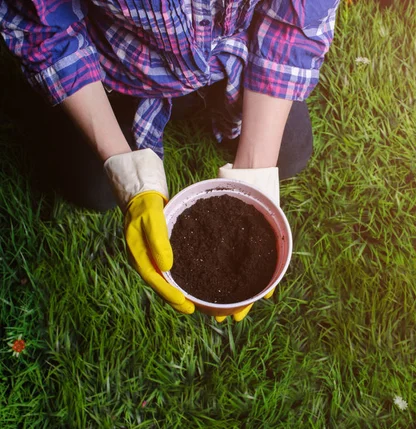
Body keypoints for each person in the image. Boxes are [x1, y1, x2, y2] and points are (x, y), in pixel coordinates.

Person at [0, 0, 341, 321]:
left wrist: (255, 171)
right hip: (122, 69)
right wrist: (126, 171)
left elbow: (294, 23)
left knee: (291, 152)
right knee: (92, 189)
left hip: (233, 56)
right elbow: (42, 27)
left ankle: (212, 106)